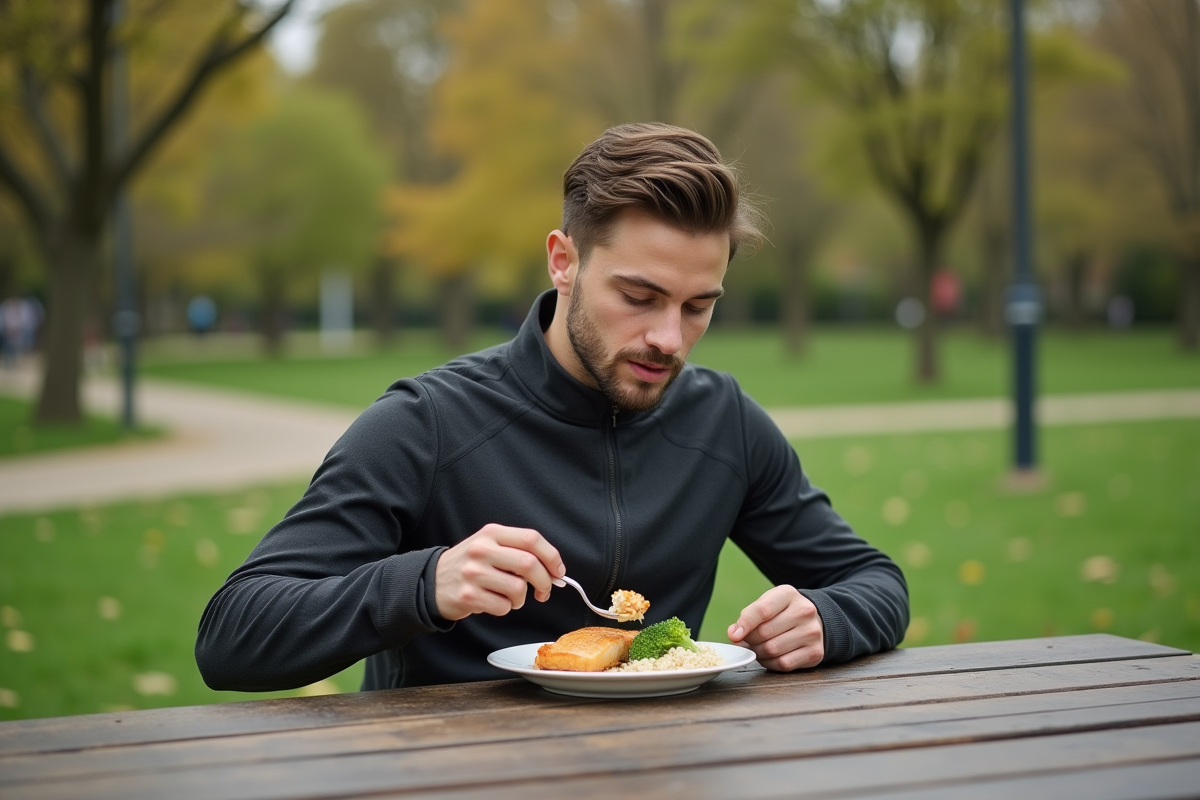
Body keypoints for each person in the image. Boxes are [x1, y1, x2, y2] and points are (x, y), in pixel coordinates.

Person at [196, 122, 908, 693]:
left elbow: (876, 582)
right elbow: (231, 637)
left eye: (698, 306)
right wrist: (424, 583)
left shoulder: (724, 423)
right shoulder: (427, 424)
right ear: (563, 261)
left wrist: (828, 617)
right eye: (639, 297)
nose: (668, 338)